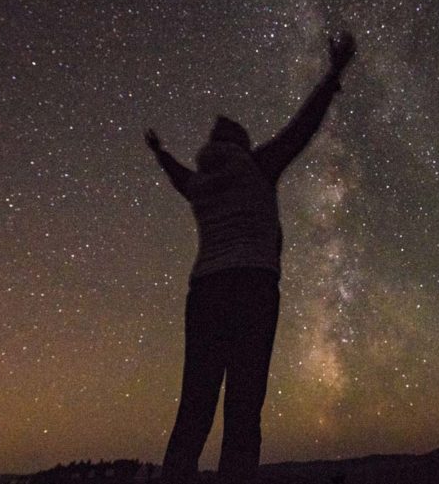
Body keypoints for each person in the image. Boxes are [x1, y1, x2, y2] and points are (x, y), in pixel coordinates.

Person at [145, 32, 357, 483]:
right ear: (241, 143)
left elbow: (177, 175)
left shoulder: (200, 185)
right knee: (244, 404)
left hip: (204, 290)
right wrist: (334, 73)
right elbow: (304, 126)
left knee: (196, 402)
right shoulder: (258, 164)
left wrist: (160, 153)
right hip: (253, 287)